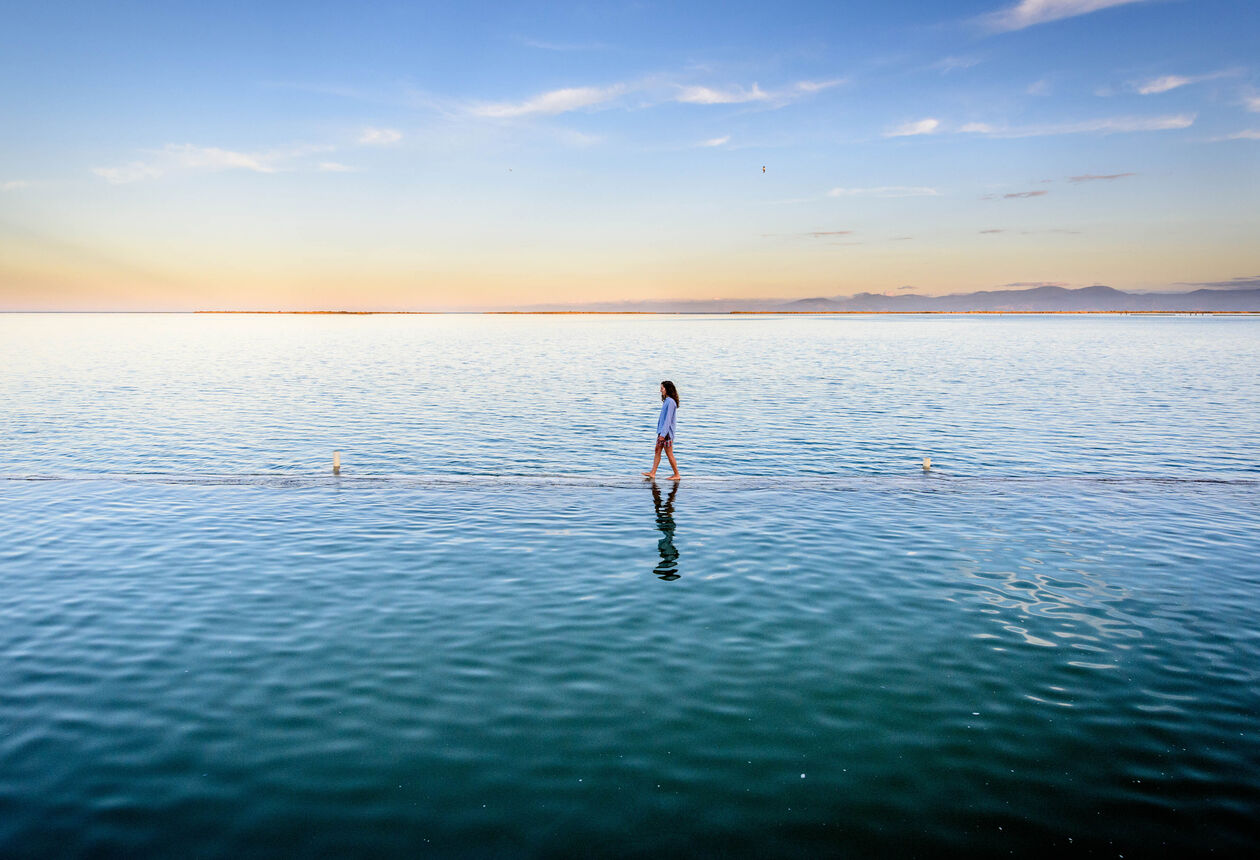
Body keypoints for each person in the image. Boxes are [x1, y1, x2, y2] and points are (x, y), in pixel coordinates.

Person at [643, 380, 680, 481]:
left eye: (662, 388)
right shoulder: (667, 401)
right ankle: (653, 473)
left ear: (667, 389)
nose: (660, 390)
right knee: (657, 450)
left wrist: (663, 434)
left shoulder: (671, 402)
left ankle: (676, 474)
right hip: (662, 432)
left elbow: (668, 420)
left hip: (666, 433)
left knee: (669, 453)